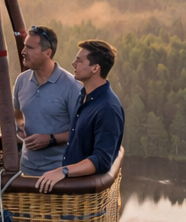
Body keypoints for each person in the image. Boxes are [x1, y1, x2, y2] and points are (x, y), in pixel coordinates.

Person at [35, 39, 124, 193]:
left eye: (79, 60)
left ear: (95, 68)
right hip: (70, 191)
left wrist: (63, 171)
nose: (73, 63)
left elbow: (102, 160)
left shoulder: (108, 108)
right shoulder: (83, 96)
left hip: (84, 197)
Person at [14, 24, 83, 177]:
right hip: (26, 172)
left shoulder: (72, 87)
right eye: (24, 46)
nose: (23, 51)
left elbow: (81, 131)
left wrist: (50, 139)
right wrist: (19, 127)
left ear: (47, 53)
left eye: (29, 48)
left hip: (60, 174)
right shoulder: (21, 80)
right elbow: (17, 113)